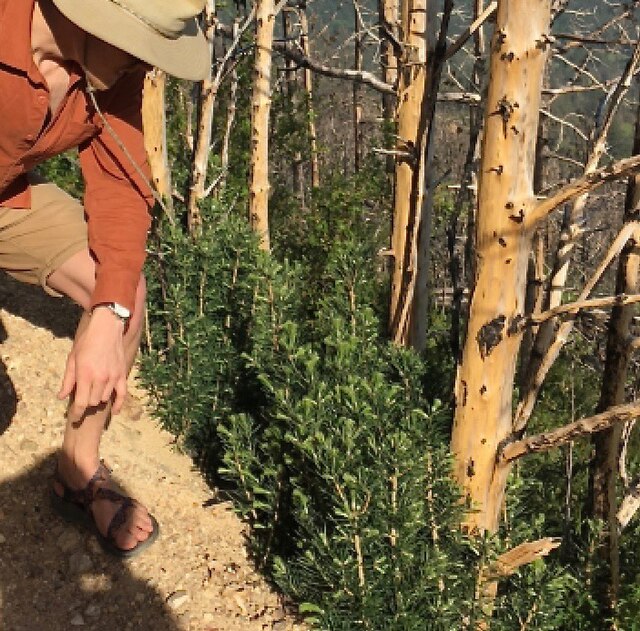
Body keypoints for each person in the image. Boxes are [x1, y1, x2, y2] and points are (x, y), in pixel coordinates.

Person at [0, 0, 209, 557]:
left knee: (123, 290)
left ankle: (77, 471)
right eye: (136, 40)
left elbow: (121, 181)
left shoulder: (113, 68)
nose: (147, 62)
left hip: (5, 199)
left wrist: (108, 313)